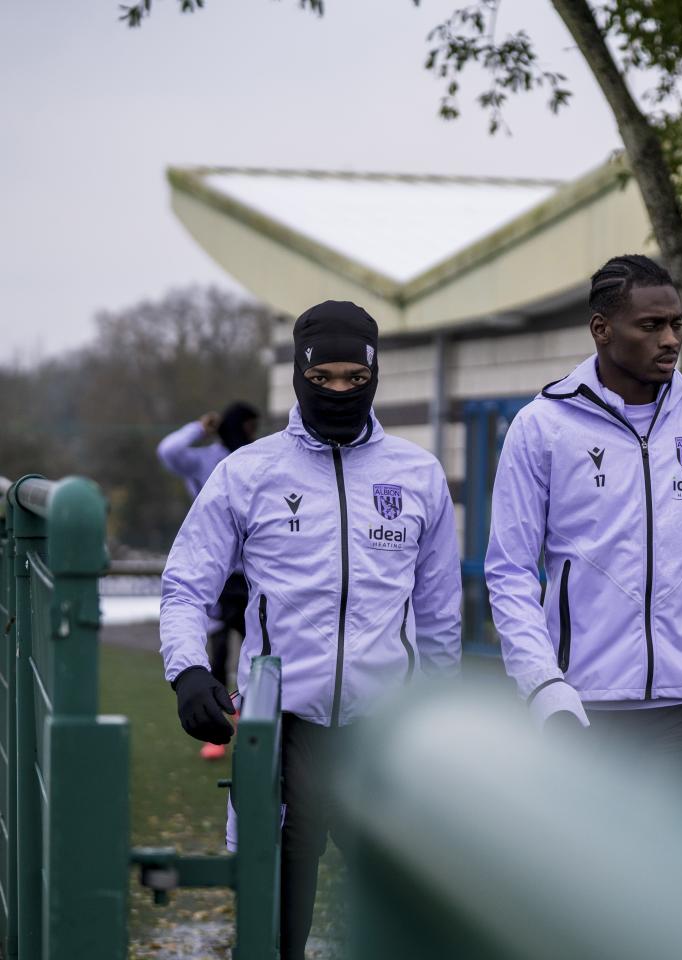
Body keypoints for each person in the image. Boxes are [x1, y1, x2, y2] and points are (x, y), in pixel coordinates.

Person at [159, 300, 462, 960]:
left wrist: (443, 719)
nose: (340, 392)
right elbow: (186, 585)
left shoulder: (417, 476)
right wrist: (188, 671)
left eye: (356, 378)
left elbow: (440, 619)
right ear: (299, 375)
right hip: (285, 729)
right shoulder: (247, 473)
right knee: (276, 927)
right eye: (323, 378)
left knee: (405, 918)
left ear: (376, 376)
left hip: (387, 732)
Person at [485, 254, 682, 807]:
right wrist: (542, 683)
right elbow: (510, 571)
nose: (670, 339)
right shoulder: (542, 426)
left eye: (677, 325)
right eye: (651, 326)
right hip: (584, 705)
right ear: (602, 330)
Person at [157, 400, 260, 759]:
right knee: (216, 651)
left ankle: (257, 715)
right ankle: (216, 731)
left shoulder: (259, 462)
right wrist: (200, 427)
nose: (249, 434)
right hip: (214, 571)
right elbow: (167, 450)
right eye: (245, 426)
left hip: (251, 575)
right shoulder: (206, 459)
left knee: (263, 646)